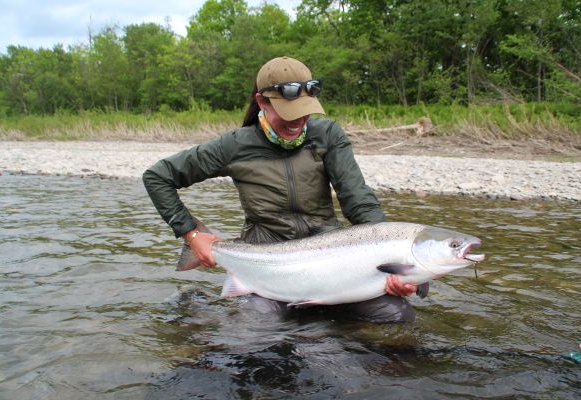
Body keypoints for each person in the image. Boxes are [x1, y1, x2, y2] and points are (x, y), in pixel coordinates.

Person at [143, 56, 417, 323]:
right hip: (265, 268)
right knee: (255, 332)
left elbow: (359, 203)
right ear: (261, 101)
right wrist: (191, 234)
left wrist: (393, 262)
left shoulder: (327, 135)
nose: (298, 121)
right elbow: (158, 177)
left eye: (304, 111)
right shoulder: (234, 146)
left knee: (396, 316)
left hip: (331, 265)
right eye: (289, 113)